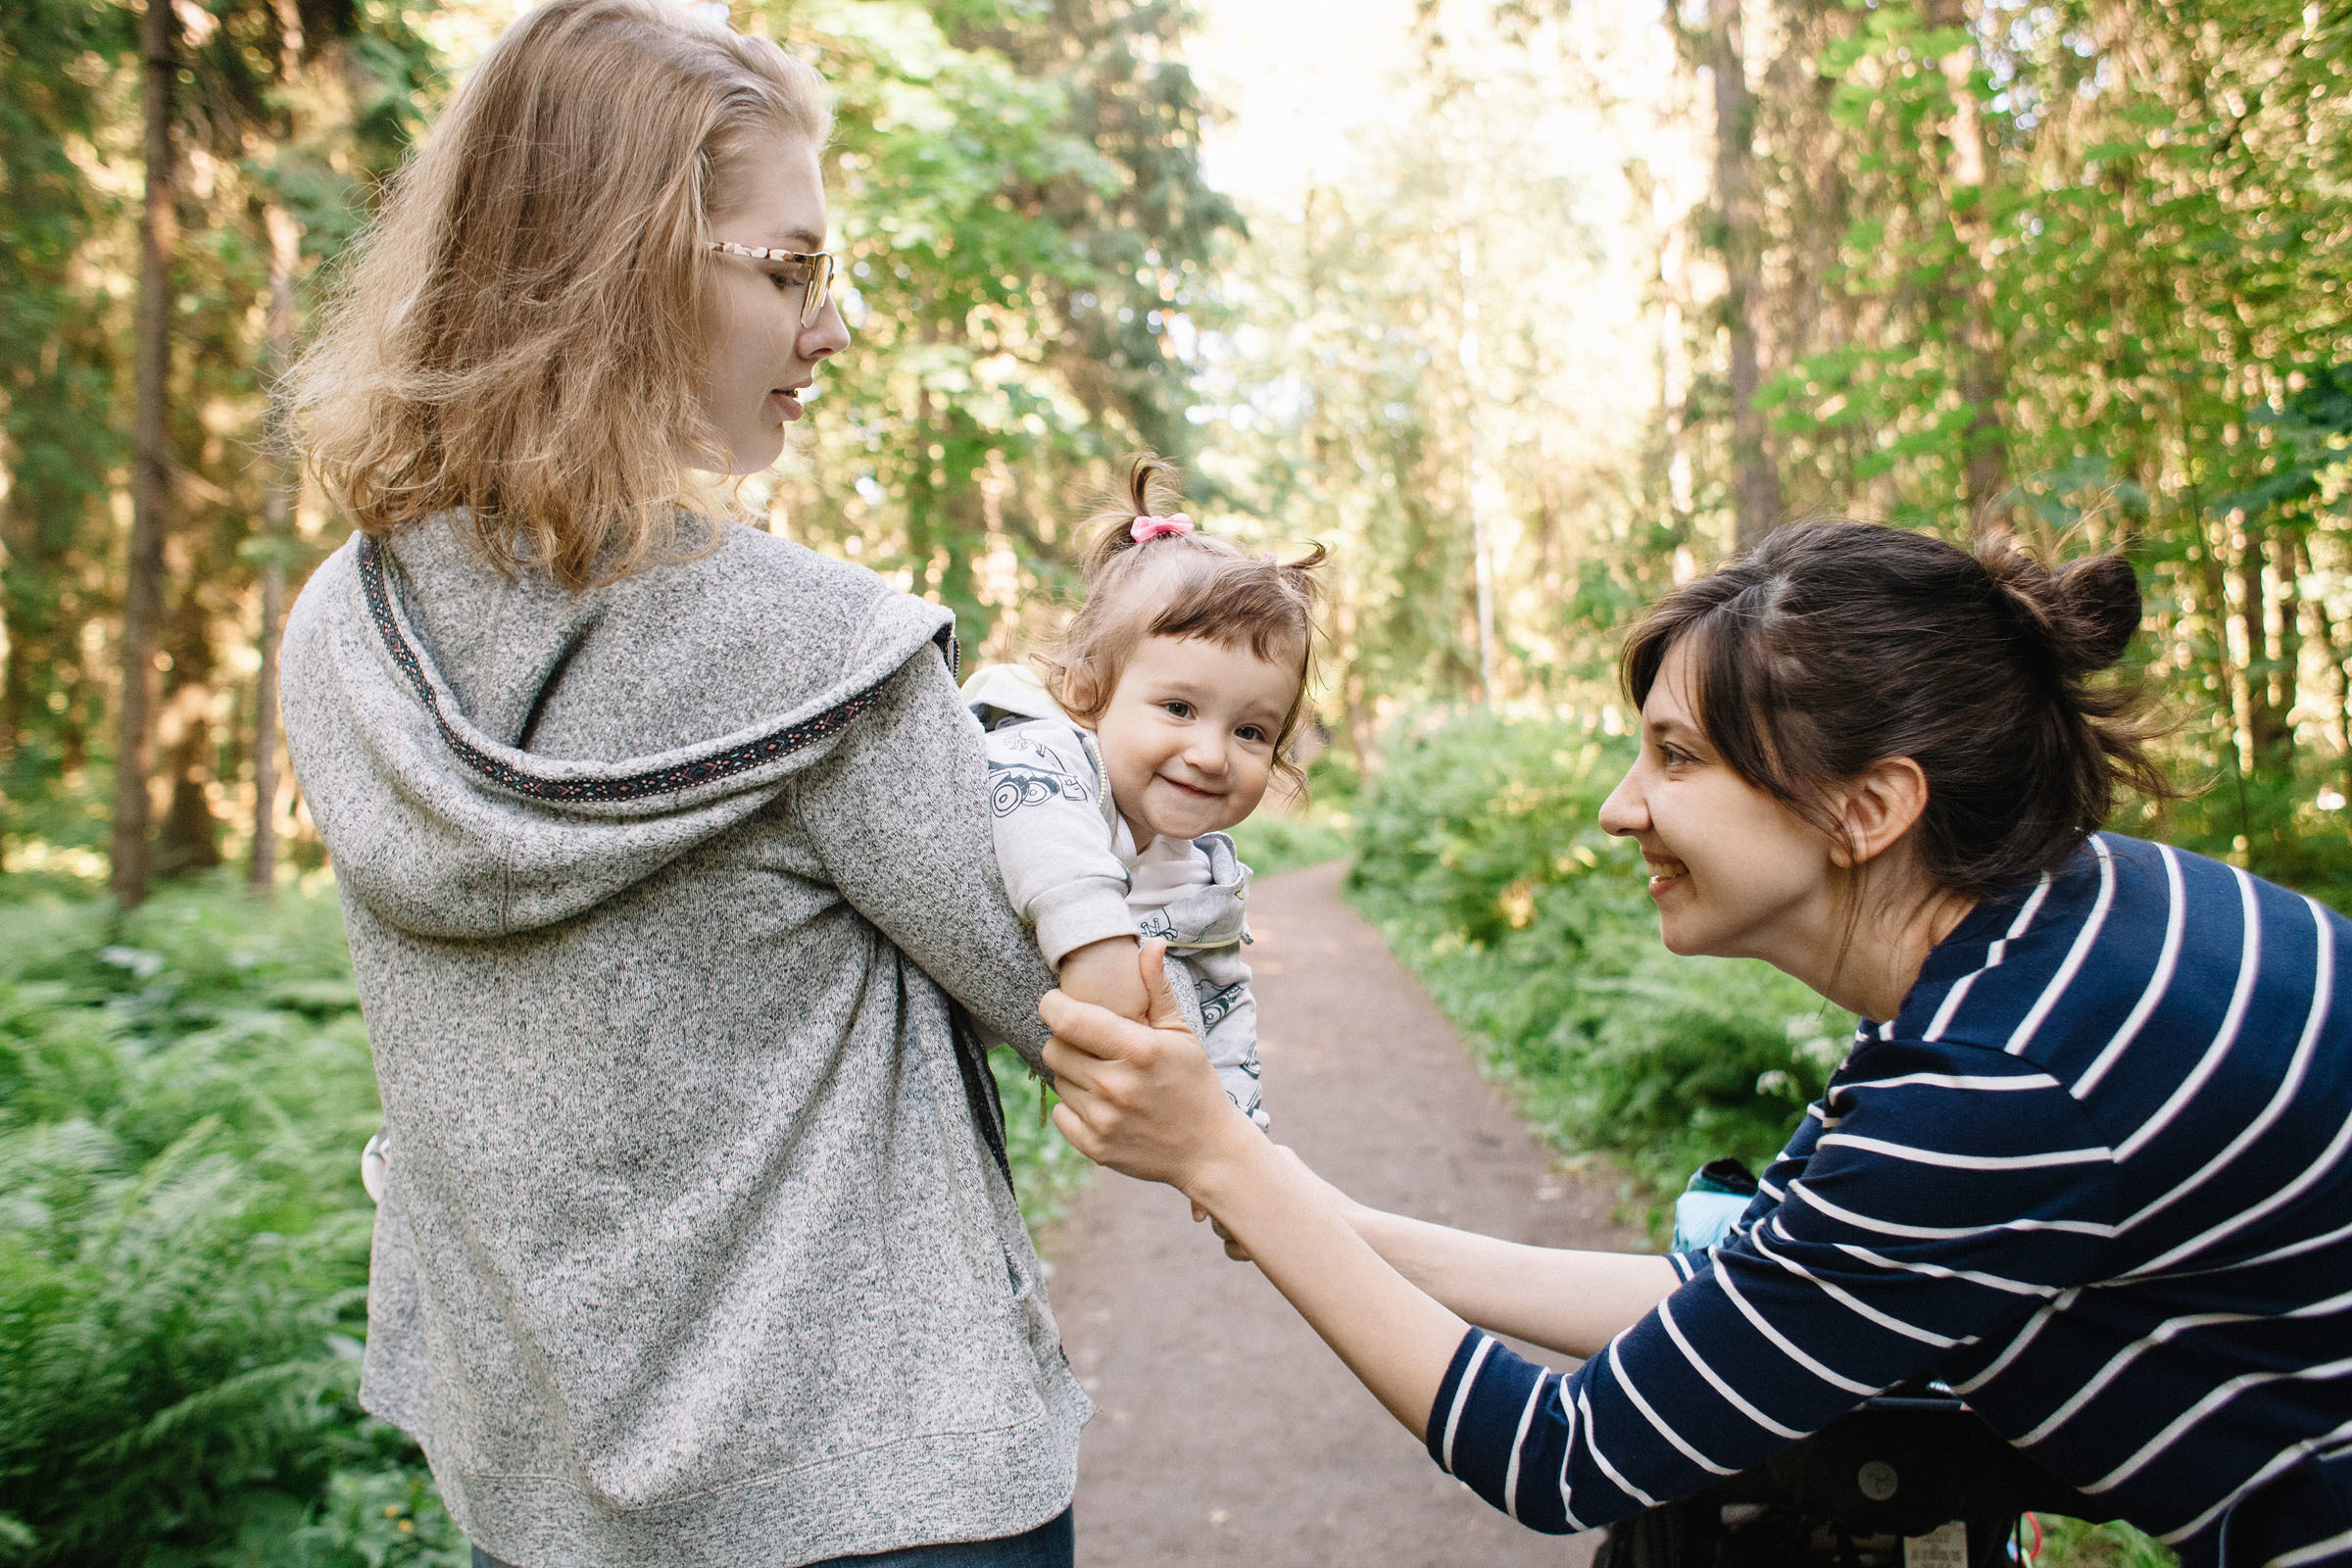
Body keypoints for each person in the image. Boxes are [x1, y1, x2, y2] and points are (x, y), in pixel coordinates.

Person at [1041, 521, 2352, 1568]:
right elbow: (1731, 1301)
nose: (1621, 809)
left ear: (1869, 807)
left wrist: (1221, 1160)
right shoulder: (2070, 930)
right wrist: (1308, 1212)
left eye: (1676, 758)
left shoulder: (2004, 1077)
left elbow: (1564, 1454)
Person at [277, 3, 1087, 1563]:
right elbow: (1088, 1016)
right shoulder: (827, 655)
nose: (831, 329)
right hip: (903, 1498)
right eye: (789, 271)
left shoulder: (342, 633)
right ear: (620, 265)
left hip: (544, 1508)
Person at [960, 454, 1326, 1129]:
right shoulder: (1044, 752)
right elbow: (1037, 823)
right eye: (1179, 709)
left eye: (1250, 731)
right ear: (1086, 689)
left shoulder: (1197, 875)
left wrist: (1239, 1144)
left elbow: (1222, 1004)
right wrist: (1097, 946)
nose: (1211, 756)